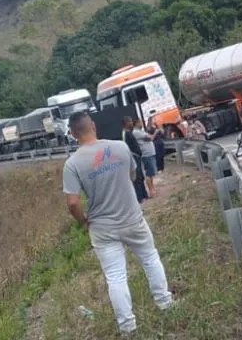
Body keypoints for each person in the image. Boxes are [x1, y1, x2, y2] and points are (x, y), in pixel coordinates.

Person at [62, 112, 173, 335]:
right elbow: (132, 175)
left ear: (73, 134)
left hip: (102, 227)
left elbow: (72, 203)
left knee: (115, 276)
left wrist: (84, 221)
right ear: (93, 125)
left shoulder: (72, 164)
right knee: (150, 258)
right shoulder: (120, 147)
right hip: (132, 218)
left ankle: (128, 326)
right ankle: (165, 304)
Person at [122, 116, 148, 202]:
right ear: (126, 123)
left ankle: (144, 195)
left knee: (140, 176)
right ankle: (140, 197)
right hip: (134, 157)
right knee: (137, 178)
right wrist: (135, 154)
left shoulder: (129, 132)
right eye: (130, 122)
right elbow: (128, 147)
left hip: (136, 156)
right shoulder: (126, 134)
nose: (131, 123)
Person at [132, 118, 157, 198]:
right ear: (136, 123)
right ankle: (151, 191)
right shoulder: (136, 132)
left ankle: (152, 189)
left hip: (149, 153)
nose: (141, 124)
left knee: (151, 173)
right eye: (140, 122)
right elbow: (150, 137)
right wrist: (156, 132)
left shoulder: (140, 131)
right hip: (146, 155)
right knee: (149, 173)